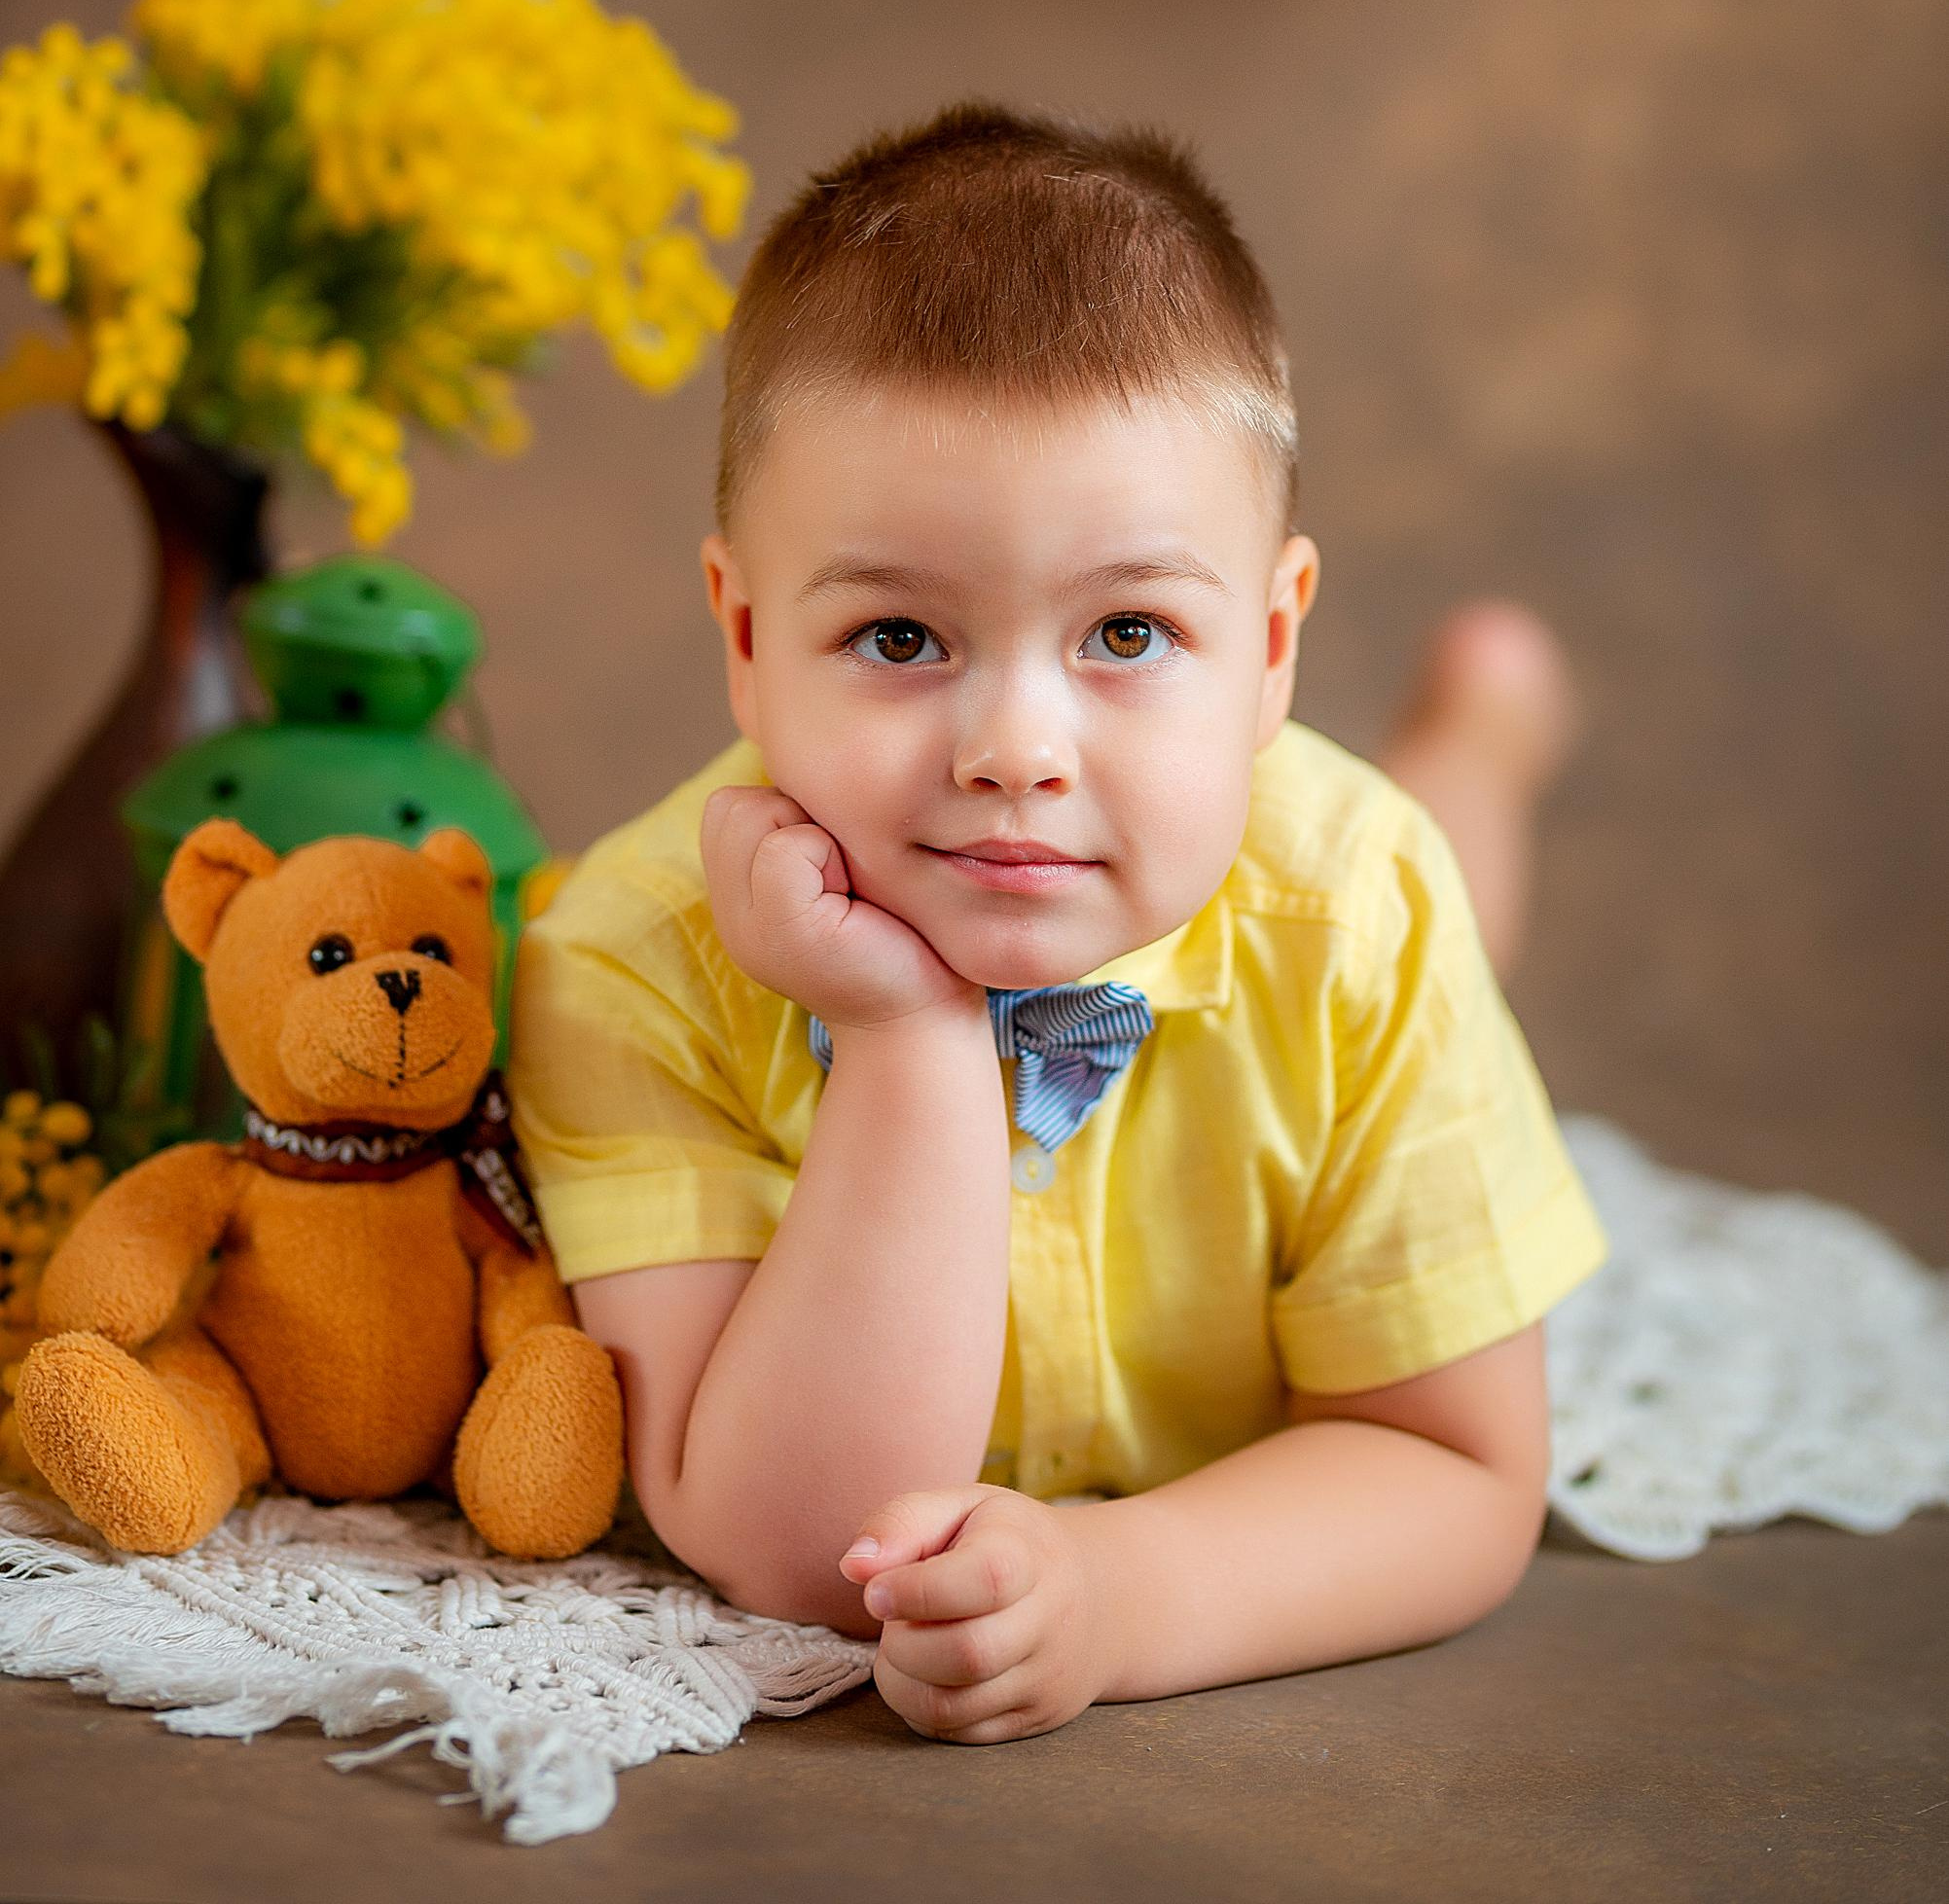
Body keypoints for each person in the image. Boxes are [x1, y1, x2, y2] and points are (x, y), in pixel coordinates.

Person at [509, 105, 1606, 1743]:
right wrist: (903, 1033)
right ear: (745, 633)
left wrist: (1124, 1590)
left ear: (1273, 645)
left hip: (1336, 885)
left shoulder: (1358, 907)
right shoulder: (625, 958)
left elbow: (1455, 1465)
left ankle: (1488, 729)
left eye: (1130, 630)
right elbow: (798, 1543)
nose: (1013, 748)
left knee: (1439, 861)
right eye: (897, 635)